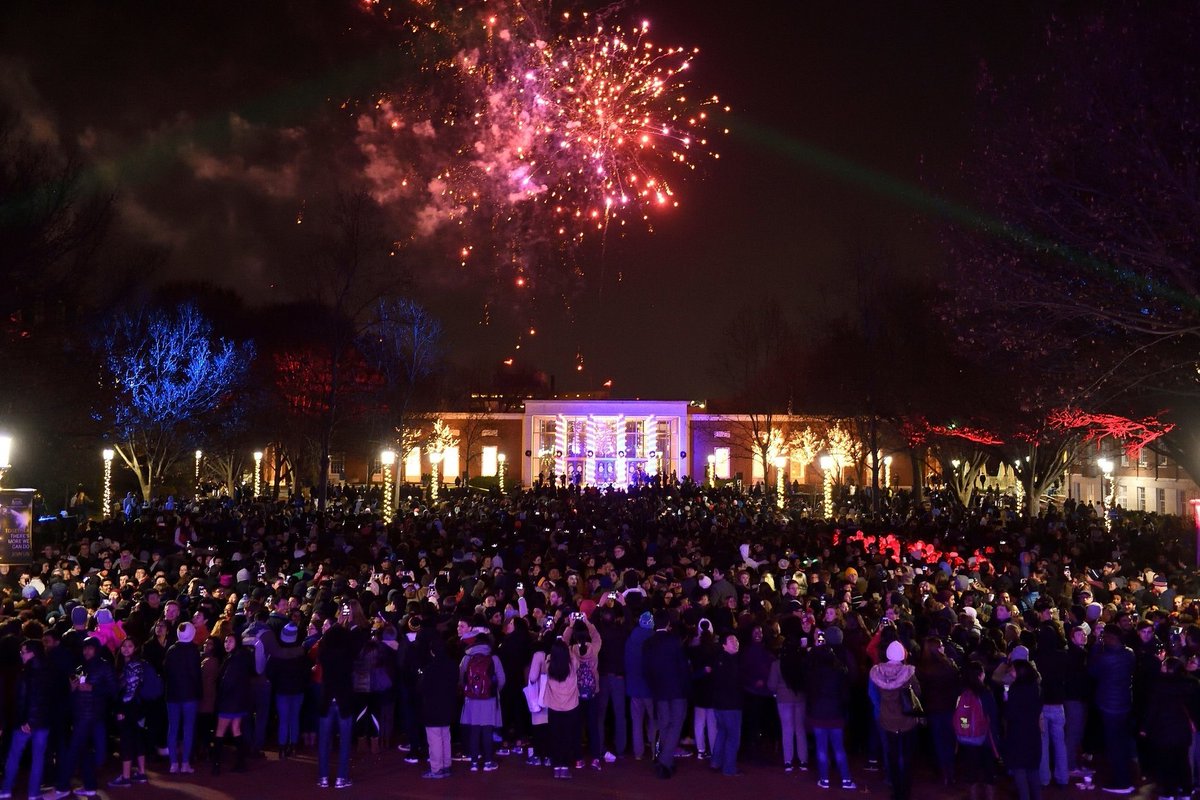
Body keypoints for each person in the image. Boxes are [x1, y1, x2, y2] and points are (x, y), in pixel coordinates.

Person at [50, 637, 116, 800]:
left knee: (73, 751)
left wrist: (93, 688)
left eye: (89, 648)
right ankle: (90, 786)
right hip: (81, 714)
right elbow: (74, 693)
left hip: (91, 715)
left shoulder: (104, 666)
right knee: (84, 751)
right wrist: (72, 689)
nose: (86, 651)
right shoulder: (81, 667)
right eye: (84, 648)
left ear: (96, 649)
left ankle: (62, 787)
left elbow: (114, 689)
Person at [0, 639, 54, 800]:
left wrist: (24, 720)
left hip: (25, 722)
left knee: (14, 755)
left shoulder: (25, 673)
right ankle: (33, 792)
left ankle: (6, 789)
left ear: (32, 653)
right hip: (42, 721)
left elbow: (22, 699)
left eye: (24, 652)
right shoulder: (48, 670)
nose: (21, 655)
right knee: (38, 757)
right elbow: (49, 699)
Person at [869, 640, 921, 800]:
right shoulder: (908, 673)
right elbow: (917, 693)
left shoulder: (877, 673)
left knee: (891, 755)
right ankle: (905, 791)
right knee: (906, 757)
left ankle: (895, 788)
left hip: (887, 719)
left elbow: (875, 694)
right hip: (906, 720)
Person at [1141, 656, 1199, 800]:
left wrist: (1144, 727)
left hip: (1164, 729)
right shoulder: (1191, 685)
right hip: (1183, 728)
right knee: (1182, 760)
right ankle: (1186, 790)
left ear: (1168, 668)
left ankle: (1168, 792)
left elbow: (1152, 709)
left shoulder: (1159, 686)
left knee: (1166, 762)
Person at [1088, 626, 1137, 793]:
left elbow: (1092, 671)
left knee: (1114, 744)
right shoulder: (1129, 653)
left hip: (1109, 705)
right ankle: (1127, 777)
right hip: (1124, 702)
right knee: (1122, 742)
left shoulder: (1105, 657)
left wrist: (1095, 646)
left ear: (1109, 638)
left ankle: (1121, 782)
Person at [807, 626, 855, 790]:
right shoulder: (840, 668)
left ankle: (824, 778)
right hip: (835, 710)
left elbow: (809, 685)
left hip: (819, 709)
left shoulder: (814, 665)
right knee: (838, 747)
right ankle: (846, 779)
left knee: (821, 746)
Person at [643, 610, 690, 779]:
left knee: (664, 724)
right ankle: (665, 760)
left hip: (659, 689)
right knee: (676, 724)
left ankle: (666, 760)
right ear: (669, 624)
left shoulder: (648, 643)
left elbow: (646, 669)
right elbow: (683, 667)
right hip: (677, 689)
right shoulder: (674, 641)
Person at [316, 614, 355, 789]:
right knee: (345, 741)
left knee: (324, 741)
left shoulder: (324, 653)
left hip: (326, 697)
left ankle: (323, 777)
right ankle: (341, 777)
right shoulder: (348, 655)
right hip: (344, 698)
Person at [459, 627, 505, 772]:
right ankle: (488, 761)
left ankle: (473, 762)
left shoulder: (467, 658)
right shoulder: (493, 658)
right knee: (487, 730)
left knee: (474, 730)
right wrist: (494, 690)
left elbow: (461, 677)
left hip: (471, 699)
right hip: (489, 699)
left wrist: (466, 690)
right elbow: (502, 679)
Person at [108, 638, 151, 788]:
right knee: (138, 739)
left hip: (130, 708)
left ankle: (126, 777)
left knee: (126, 740)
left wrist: (120, 709)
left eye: (130, 646)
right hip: (139, 708)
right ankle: (141, 772)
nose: (126, 649)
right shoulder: (136, 665)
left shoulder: (132, 666)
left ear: (135, 648)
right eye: (124, 646)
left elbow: (129, 692)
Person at [956, 661, 1000, 800]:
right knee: (989, 773)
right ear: (981, 675)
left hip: (967, 738)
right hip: (985, 738)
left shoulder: (962, 693)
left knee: (971, 773)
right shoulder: (986, 693)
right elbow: (993, 717)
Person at [768, 619, 808, 772]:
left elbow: (771, 684)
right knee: (800, 729)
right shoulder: (802, 662)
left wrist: (775, 692)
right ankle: (803, 760)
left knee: (787, 729)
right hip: (800, 698)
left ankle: (788, 761)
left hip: (783, 700)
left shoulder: (777, 664)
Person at [418, 634, 459, 779]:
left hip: (432, 707)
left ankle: (436, 768)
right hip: (448, 705)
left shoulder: (429, 668)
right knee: (445, 736)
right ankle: (447, 765)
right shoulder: (453, 665)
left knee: (434, 738)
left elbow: (423, 688)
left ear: (432, 651)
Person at [212, 633, 253, 775]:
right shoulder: (242, 657)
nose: (226, 644)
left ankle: (216, 764)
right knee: (236, 729)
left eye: (230, 641)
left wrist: (221, 695)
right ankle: (241, 762)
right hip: (240, 700)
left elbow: (226, 681)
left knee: (220, 731)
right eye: (225, 641)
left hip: (229, 700)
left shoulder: (234, 659)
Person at [164, 621, 202, 774]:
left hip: (172, 694)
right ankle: (185, 762)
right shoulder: (193, 651)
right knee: (188, 728)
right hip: (189, 695)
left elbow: (165, 671)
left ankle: (173, 763)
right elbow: (196, 675)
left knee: (172, 728)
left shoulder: (171, 650)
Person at [1004, 657, 1044, 800]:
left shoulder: (1015, 689)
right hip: (1033, 733)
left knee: (1020, 771)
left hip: (1018, 734)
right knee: (1033, 770)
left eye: (1013, 670)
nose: (1011, 672)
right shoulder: (1035, 687)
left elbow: (1010, 714)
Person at [267, 623, 307, 760]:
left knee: (283, 719)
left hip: (282, 690)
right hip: (298, 690)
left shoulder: (277, 655)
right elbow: (306, 673)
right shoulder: (301, 654)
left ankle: (282, 748)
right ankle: (294, 745)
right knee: (294, 717)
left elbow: (270, 673)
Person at [543, 637, 580, 779]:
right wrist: (567, 649)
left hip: (554, 707)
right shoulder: (572, 666)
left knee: (555, 736)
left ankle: (556, 766)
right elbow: (574, 659)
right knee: (567, 737)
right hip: (571, 706)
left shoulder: (549, 667)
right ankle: (564, 767)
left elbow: (548, 658)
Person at [708, 631, 743, 777]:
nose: (735, 643)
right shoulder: (733, 661)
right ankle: (729, 768)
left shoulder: (718, 659)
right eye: (731, 641)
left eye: (736, 640)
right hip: (731, 704)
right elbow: (736, 682)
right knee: (733, 736)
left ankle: (716, 762)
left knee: (722, 732)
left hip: (719, 703)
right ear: (724, 645)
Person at [625, 611, 658, 761]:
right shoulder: (654, 638)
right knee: (653, 719)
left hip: (634, 686)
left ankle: (638, 753)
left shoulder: (631, 639)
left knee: (636, 721)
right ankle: (653, 750)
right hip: (651, 688)